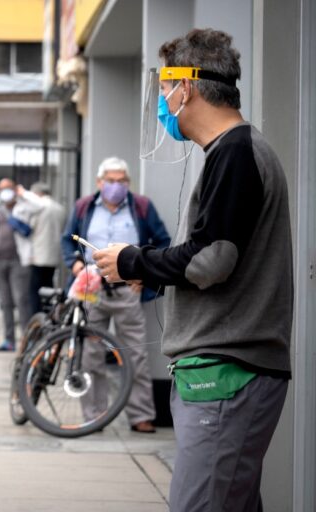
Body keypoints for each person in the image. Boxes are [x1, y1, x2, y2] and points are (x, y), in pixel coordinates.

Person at [93, 29, 292, 512]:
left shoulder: (236, 153)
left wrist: (132, 260)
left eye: (164, 89)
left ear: (187, 88)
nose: (162, 102)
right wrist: (153, 270)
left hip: (225, 371)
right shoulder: (232, 151)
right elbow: (212, 254)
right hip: (227, 371)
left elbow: (211, 261)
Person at [62, 156, 170, 434]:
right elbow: (67, 239)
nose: (116, 186)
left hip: (127, 291)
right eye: (111, 180)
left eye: (122, 181)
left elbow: (162, 242)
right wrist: (75, 263)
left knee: (136, 354)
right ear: (99, 182)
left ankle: (141, 416)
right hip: (91, 291)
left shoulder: (141, 207)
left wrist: (145, 274)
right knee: (91, 355)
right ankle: (94, 416)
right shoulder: (84, 207)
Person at [0, 178, 33, 351]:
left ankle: (27, 340)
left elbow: (41, 206)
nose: (5, 192)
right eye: (1, 189)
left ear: (15, 189)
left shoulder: (25, 207)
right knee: (6, 302)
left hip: (18, 261)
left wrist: (24, 194)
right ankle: (9, 340)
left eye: (8, 188)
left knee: (21, 300)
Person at [16, 182, 66, 315]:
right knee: (49, 287)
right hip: (54, 256)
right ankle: (50, 317)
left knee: (35, 292)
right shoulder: (60, 208)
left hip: (38, 255)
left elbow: (29, 230)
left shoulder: (38, 207)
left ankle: (37, 321)